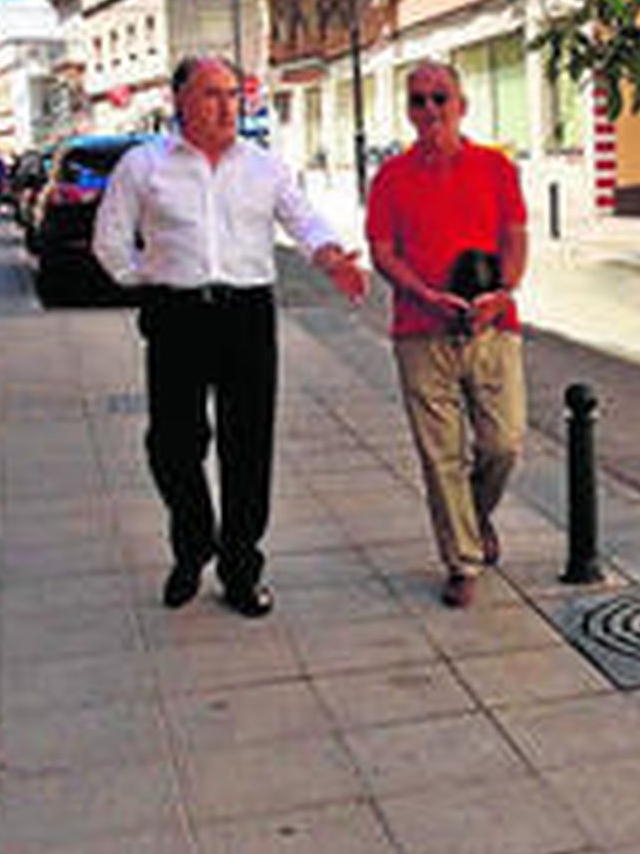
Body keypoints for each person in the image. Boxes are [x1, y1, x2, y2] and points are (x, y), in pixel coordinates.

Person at [93, 55, 368, 618]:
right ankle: (194, 542)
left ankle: (241, 568)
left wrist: (330, 256)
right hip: (177, 315)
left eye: (232, 95)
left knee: (248, 445)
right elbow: (110, 241)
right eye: (211, 94)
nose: (226, 107)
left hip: (246, 314)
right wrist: (150, 278)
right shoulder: (144, 166)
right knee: (172, 445)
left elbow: (302, 219)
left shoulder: (263, 166)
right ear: (180, 102)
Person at [366, 60, 529, 609]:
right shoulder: (391, 177)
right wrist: (424, 295)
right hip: (421, 330)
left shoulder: (496, 168)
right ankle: (462, 560)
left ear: (462, 105)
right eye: (419, 100)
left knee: (504, 443)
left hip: (492, 326)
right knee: (441, 457)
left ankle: (473, 518)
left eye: (440, 97)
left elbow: (515, 237)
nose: (430, 109)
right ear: (409, 111)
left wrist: (502, 293)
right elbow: (382, 252)